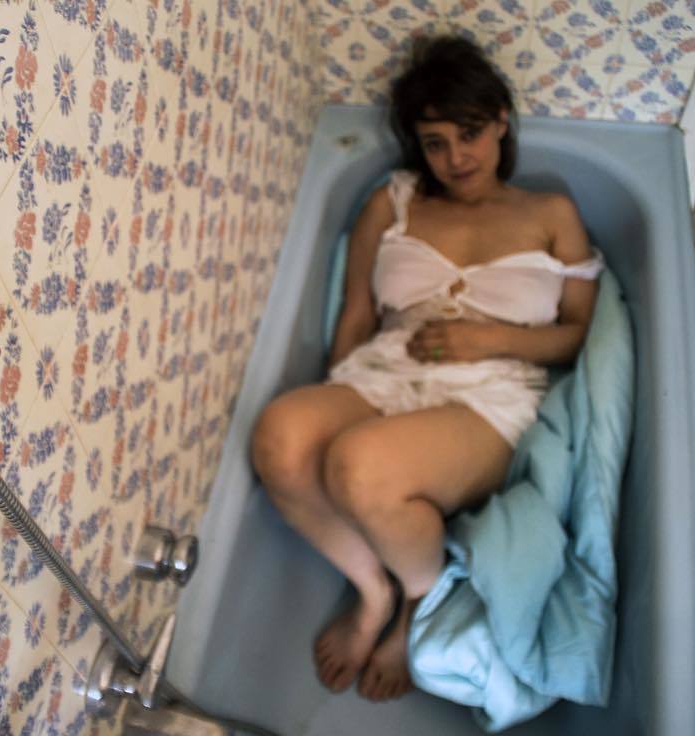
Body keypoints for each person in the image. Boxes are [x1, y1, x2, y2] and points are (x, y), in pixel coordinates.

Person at [249, 36, 603, 703]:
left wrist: (491, 339)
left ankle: (420, 599)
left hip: (490, 393)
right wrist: (337, 390)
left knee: (359, 465)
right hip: (386, 371)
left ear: (501, 121)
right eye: (435, 143)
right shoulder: (395, 202)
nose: (455, 158)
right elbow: (357, 315)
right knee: (280, 436)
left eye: (469, 134)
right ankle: (374, 588)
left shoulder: (551, 214)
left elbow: (577, 336)